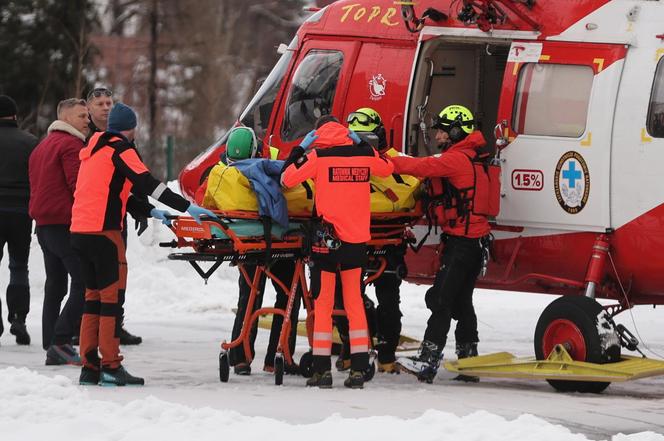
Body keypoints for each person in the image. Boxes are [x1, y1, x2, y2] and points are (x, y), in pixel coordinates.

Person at [71, 102, 216, 386]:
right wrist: (187, 207)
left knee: (93, 300)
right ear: (131, 129)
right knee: (111, 302)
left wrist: (149, 211)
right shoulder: (121, 149)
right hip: (105, 235)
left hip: (80, 232)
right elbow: (149, 184)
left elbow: (116, 191)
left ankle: (89, 367)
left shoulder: (93, 149)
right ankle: (111, 366)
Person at [281, 116, 394, 389]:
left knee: (324, 303)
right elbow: (388, 167)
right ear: (346, 134)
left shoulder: (318, 156)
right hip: (355, 242)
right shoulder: (363, 157)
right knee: (354, 300)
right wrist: (364, 146)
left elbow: (286, 179)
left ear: (318, 135)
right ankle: (358, 369)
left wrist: (299, 149)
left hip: (326, 243)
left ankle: (322, 370)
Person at [393, 104, 491, 383]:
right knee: (463, 300)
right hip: (476, 243)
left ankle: (428, 360)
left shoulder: (457, 160)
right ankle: (468, 360)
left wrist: (388, 161)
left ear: (457, 132)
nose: (437, 137)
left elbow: (421, 167)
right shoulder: (475, 156)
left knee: (441, 301)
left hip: (462, 243)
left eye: (442, 132)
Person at [214, 127, 301, 376]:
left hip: (245, 239)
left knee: (250, 294)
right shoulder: (274, 160)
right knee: (287, 297)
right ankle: (279, 355)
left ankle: (240, 356)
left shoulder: (222, 171)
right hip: (280, 240)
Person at [29, 98, 89, 364]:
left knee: (55, 284)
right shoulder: (71, 145)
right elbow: (78, 185)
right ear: (65, 118)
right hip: (65, 224)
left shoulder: (41, 147)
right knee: (84, 281)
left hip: (43, 225)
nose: (87, 120)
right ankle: (61, 340)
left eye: (87, 116)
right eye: (81, 116)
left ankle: (50, 341)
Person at [84, 86, 142, 346]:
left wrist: (141, 206)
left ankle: (112, 331)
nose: (106, 107)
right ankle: (109, 359)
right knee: (103, 290)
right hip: (99, 223)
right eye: (100, 104)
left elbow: (132, 178)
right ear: (88, 109)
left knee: (109, 284)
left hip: (112, 218)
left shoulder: (120, 141)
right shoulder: (92, 142)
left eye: (109, 102)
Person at [0, 95, 38, 345]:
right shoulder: (31, 143)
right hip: (21, 212)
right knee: (18, 266)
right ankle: (18, 318)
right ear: (14, 116)